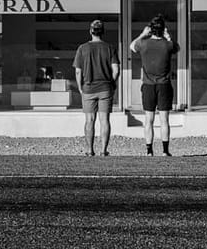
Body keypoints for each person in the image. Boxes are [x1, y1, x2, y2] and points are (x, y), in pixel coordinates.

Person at [130, 14, 180, 156]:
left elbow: (132, 46)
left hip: (148, 85)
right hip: (164, 85)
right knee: (164, 119)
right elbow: (177, 48)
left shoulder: (143, 44)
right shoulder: (168, 45)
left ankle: (149, 150)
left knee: (149, 119)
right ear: (163, 29)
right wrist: (168, 36)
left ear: (151, 29)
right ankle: (165, 150)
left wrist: (142, 34)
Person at [73, 19, 120, 157]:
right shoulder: (109, 48)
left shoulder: (82, 48)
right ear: (103, 32)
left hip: (88, 88)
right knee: (104, 120)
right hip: (105, 87)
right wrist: (112, 83)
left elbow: (78, 71)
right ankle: (104, 150)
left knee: (89, 120)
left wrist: (80, 87)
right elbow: (116, 70)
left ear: (90, 31)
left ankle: (89, 150)